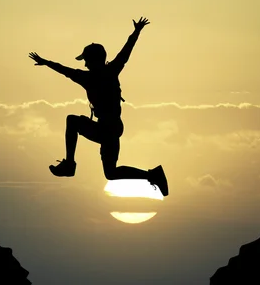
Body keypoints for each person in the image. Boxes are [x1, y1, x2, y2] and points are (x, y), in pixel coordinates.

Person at [28, 17, 169, 197]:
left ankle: (70, 164)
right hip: (112, 128)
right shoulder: (109, 71)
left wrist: (46, 62)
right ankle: (152, 175)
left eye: (86, 60)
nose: (84, 64)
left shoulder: (90, 77)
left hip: (106, 129)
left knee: (72, 121)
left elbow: (66, 70)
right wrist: (137, 31)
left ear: (93, 60)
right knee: (110, 173)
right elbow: (125, 52)